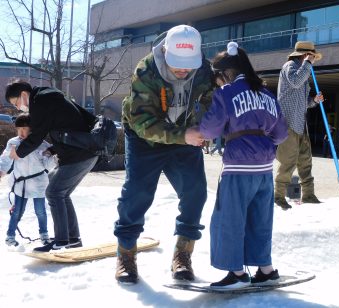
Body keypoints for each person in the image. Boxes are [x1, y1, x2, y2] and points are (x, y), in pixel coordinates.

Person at [114, 25, 213, 284]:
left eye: (187, 65)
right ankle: (126, 254)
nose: (182, 70)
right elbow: (142, 123)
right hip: (144, 137)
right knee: (137, 192)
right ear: (165, 51)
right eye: (177, 64)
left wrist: (213, 127)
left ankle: (183, 254)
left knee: (196, 191)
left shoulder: (203, 69)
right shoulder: (146, 70)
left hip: (184, 133)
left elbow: (215, 101)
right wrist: (185, 136)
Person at [189, 41, 288, 288]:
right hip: (265, 169)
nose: (217, 83)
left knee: (229, 219)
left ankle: (238, 274)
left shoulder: (226, 94)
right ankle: (266, 269)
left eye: (217, 78)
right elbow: (281, 134)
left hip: (237, 167)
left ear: (226, 73)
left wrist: (199, 131)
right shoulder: (266, 94)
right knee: (260, 219)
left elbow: (210, 129)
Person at [5, 80, 99, 252]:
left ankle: (62, 241)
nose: (19, 109)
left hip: (79, 155)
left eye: (16, 103)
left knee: (54, 192)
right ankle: (72, 239)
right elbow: (71, 125)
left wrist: (18, 153)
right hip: (84, 152)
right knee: (62, 194)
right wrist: (53, 148)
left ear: (24, 95)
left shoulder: (40, 102)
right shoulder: (49, 98)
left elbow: (36, 137)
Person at [274, 41, 324, 210]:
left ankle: (309, 195)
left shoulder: (304, 70)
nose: (314, 60)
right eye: (312, 56)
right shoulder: (290, 66)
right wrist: (308, 64)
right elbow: (295, 82)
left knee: (305, 161)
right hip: (287, 123)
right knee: (288, 162)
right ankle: (278, 197)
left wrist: (314, 101)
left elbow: (303, 102)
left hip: (300, 124)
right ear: (305, 55)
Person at [0, 114, 56, 247]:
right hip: (21, 184)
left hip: (38, 184)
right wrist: (1, 170)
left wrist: (53, 157)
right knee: (17, 211)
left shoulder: (41, 144)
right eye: (18, 129)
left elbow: (47, 165)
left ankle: (44, 235)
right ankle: (10, 236)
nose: (21, 132)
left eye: (24, 129)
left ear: (31, 129)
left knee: (41, 211)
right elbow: (6, 158)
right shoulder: (13, 142)